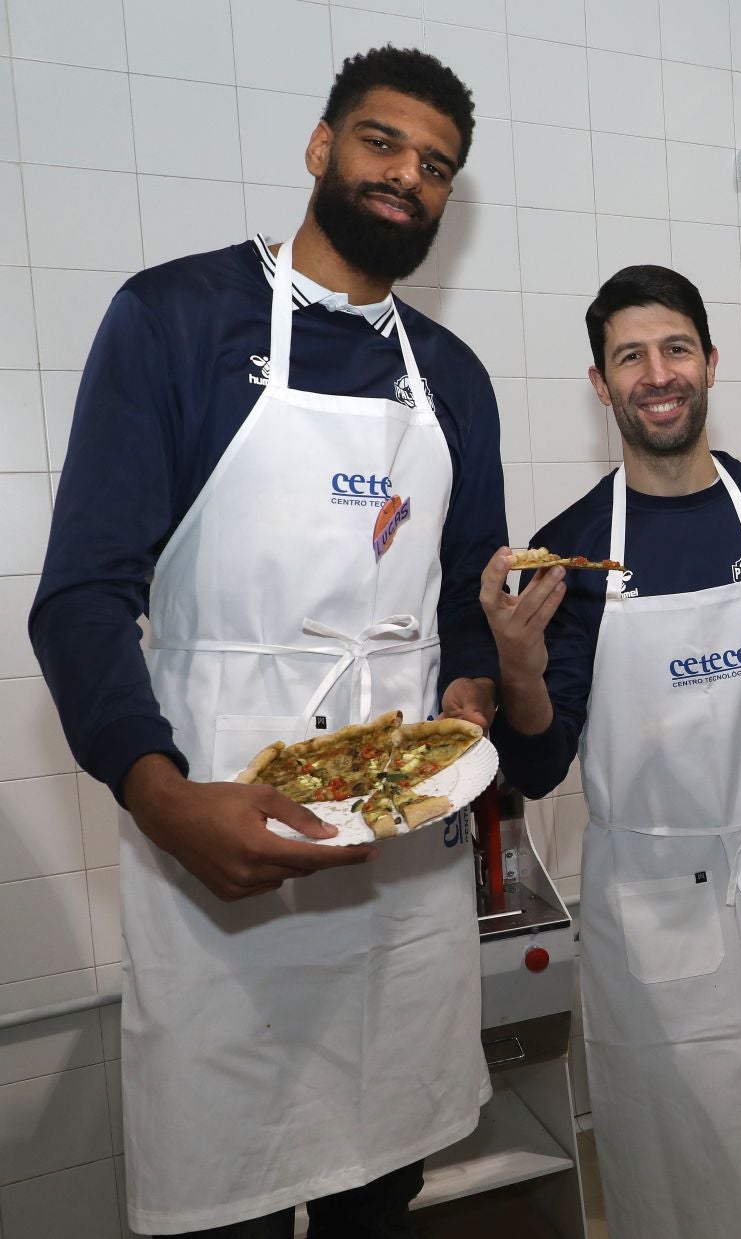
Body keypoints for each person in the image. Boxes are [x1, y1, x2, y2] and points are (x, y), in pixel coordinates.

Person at [28, 47, 505, 1239]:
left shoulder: (453, 379)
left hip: (400, 874)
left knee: (381, 1193)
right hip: (214, 846)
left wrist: (477, 689)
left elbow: (467, 606)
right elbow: (82, 595)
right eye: (381, 143)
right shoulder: (177, 319)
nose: (406, 177)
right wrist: (160, 793)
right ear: (320, 146)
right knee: (225, 1200)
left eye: (436, 167)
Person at [484, 265, 741, 1239]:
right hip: (655, 907)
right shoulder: (572, 555)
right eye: (630, 356)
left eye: (675, 348)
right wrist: (516, 667)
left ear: (710, 362)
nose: (657, 372)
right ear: (601, 383)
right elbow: (542, 769)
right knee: (696, 1172)